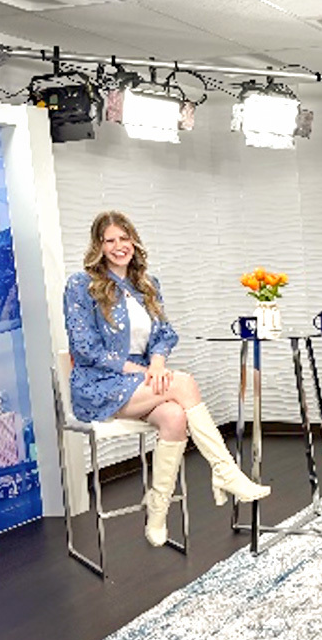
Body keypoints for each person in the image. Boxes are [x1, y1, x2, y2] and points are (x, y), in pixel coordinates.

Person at [64, 211, 269, 547]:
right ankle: (226, 472)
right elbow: (86, 349)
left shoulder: (146, 284)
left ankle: (157, 514)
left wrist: (157, 364)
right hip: (100, 384)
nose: (119, 246)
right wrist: (145, 372)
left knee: (175, 417)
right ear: (99, 246)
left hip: (144, 380)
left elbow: (164, 333)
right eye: (110, 240)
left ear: (133, 241)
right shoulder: (81, 285)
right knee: (184, 384)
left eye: (124, 238)